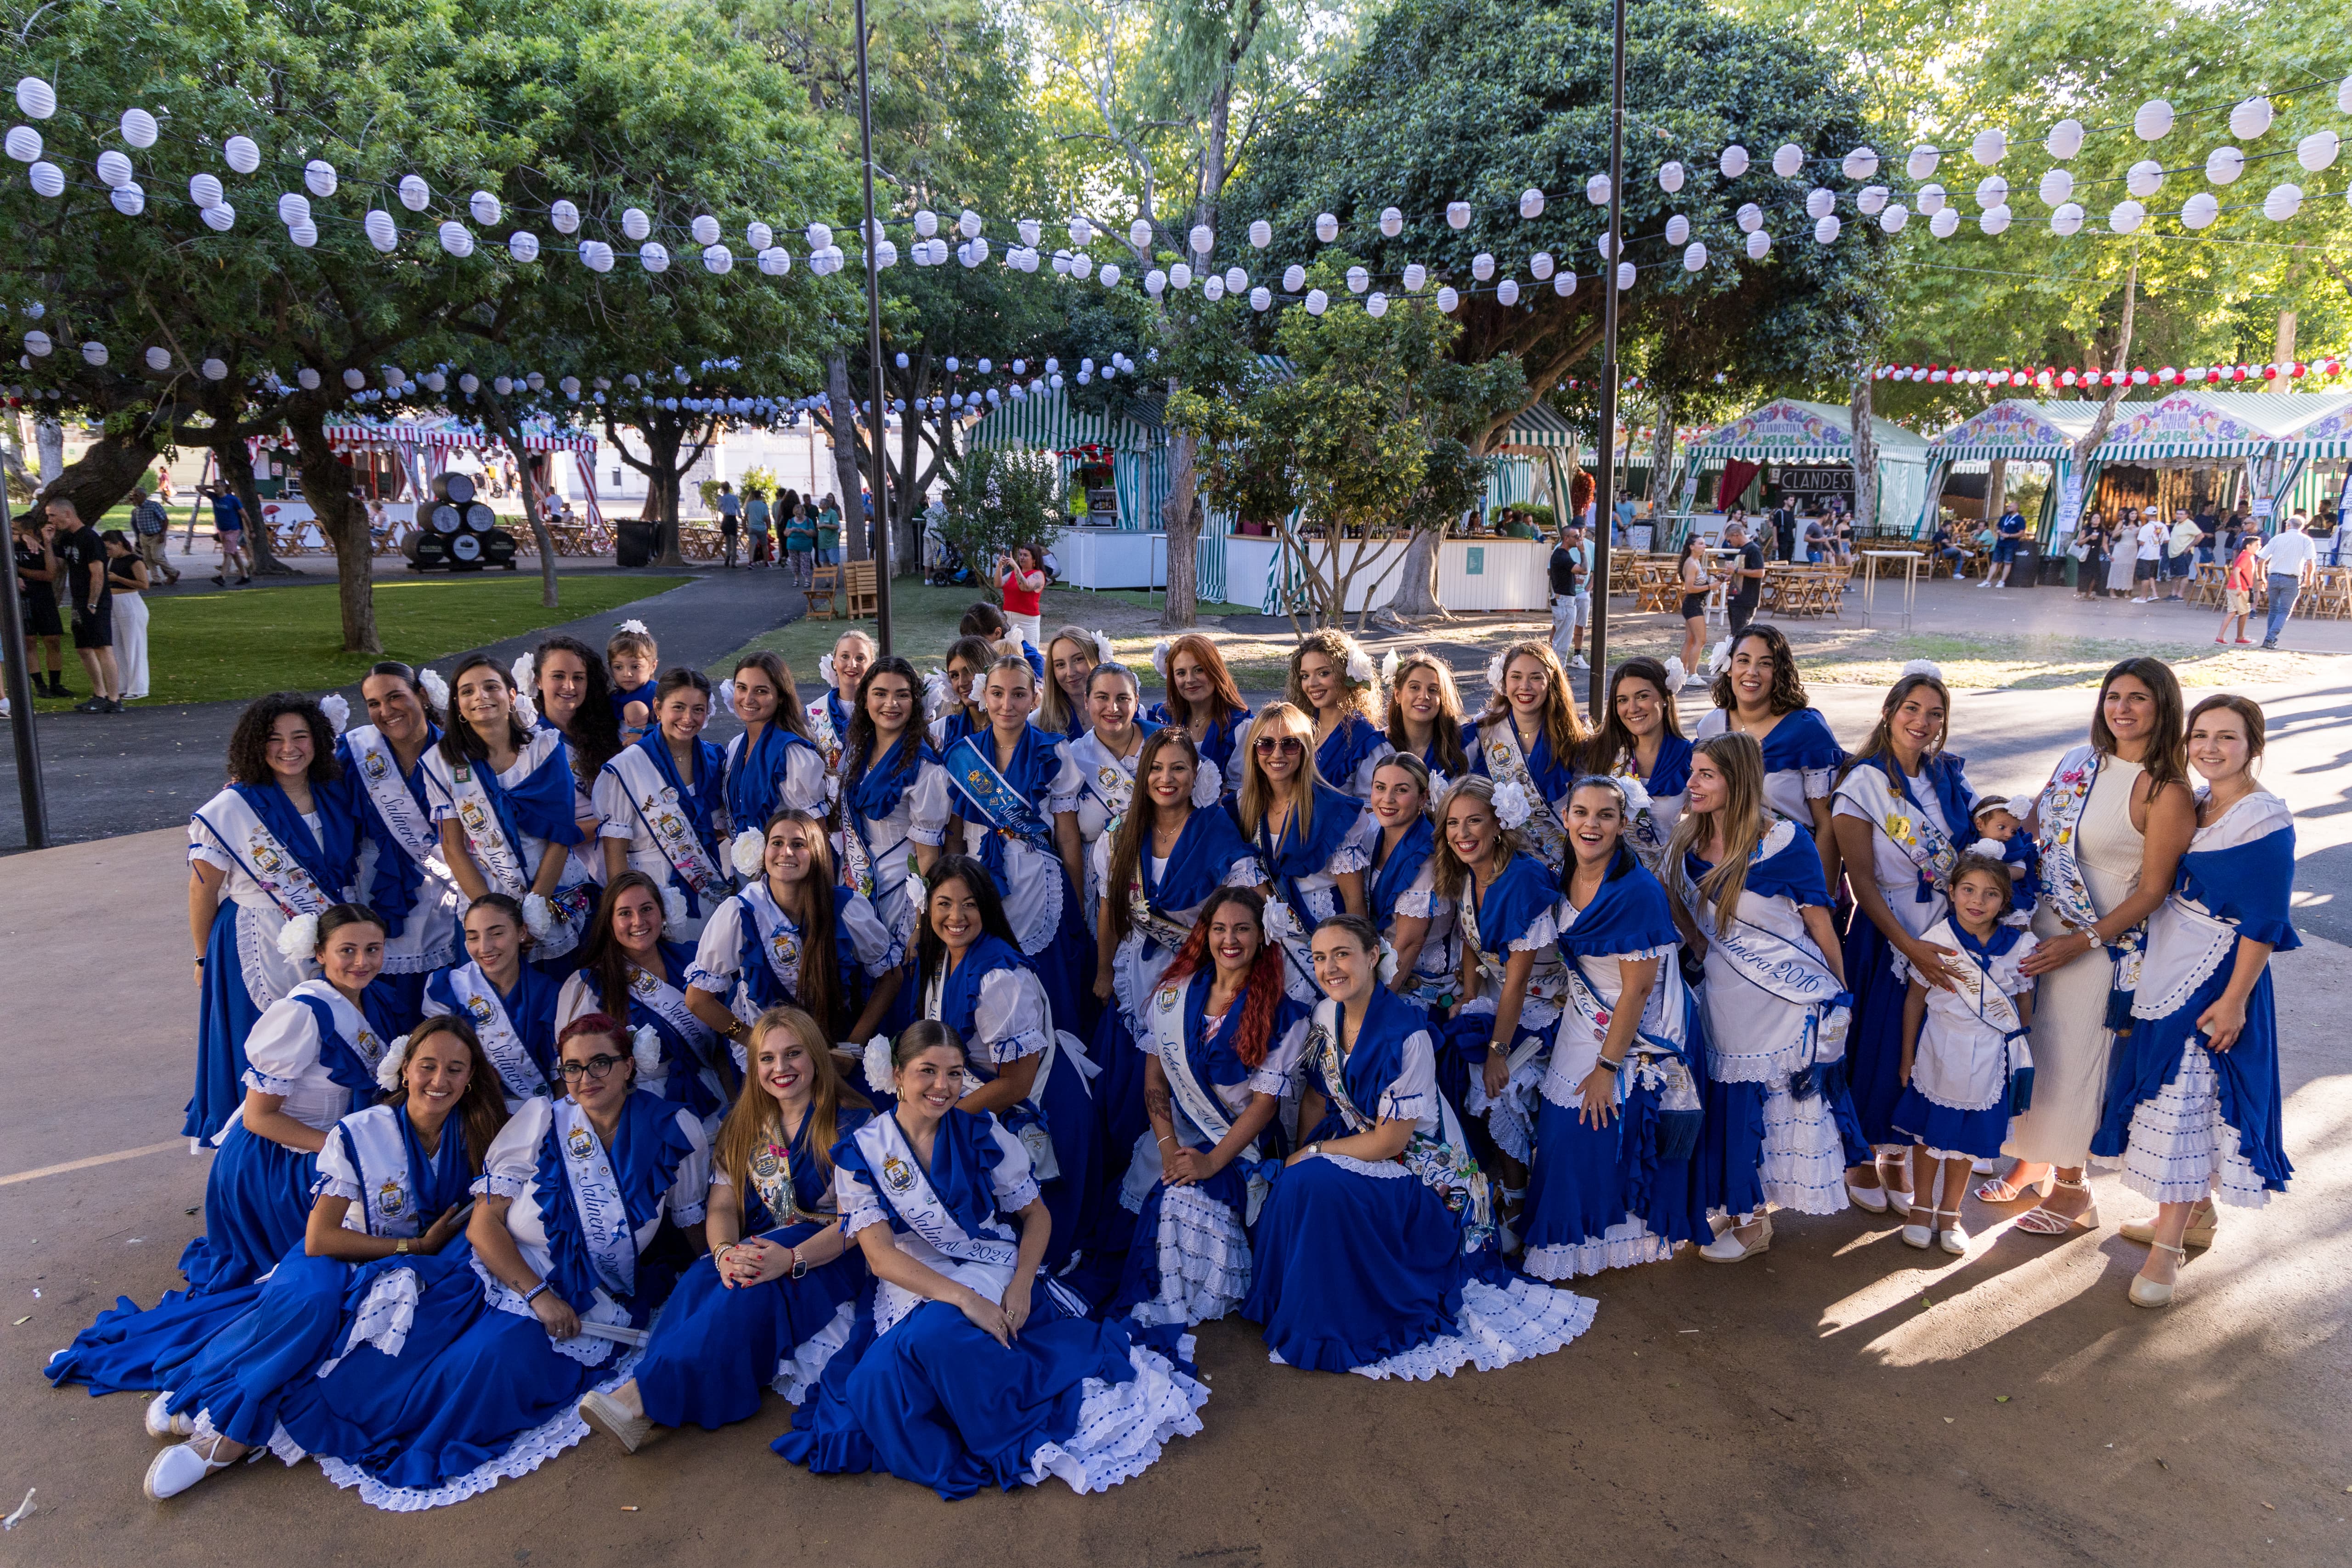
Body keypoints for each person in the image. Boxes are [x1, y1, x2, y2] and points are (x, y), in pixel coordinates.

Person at [259, 1013, 709, 1510]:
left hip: (592, 1289)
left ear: (629, 1066)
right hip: (499, 1267)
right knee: (407, 1346)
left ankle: (411, 1435)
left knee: (482, 1361)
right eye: (574, 1066)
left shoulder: (676, 1127)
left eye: (602, 1062)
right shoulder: (543, 1117)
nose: (587, 1077)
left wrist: (710, 1272)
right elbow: (482, 1224)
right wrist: (538, 1295)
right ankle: (273, 1425)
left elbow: (690, 1219)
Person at [772, 1020, 1207, 1499]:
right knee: (873, 1385)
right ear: (896, 1074)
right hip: (913, 1276)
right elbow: (879, 1258)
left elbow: (1036, 1214)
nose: (943, 1086)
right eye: (927, 1071)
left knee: (933, 1338)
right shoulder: (864, 1151)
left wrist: (1021, 1283)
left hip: (985, 1262)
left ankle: (998, 1418)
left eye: (955, 1073)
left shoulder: (982, 1130)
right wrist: (966, 1300)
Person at [131, 1018, 506, 1500]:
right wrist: (411, 1247)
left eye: (455, 1069)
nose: (440, 1080)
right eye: (428, 1065)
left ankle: (229, 1414)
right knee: (314, 1304)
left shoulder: (474, 1133)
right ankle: (223, 1434)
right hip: (344, 1248)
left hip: (407, 1265)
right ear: (405, 1068)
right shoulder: (362, 1131)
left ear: (471, 1077)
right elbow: (320, 1239)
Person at [46, 906, 399, 1409]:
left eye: (373, 949)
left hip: (317, 1151)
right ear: (319, 953)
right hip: (276, 1166)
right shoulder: (300, 1014)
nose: (362, 961)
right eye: (347, 950)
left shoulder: (363, 1002)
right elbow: (259, 1118)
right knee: (328, 1275)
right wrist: (346, 1151)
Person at [1242, 913, 1594, 1377]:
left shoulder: (1407, 1034)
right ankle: (1292, 1302)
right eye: (1320, 957)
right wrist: (1302, 1149)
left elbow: (1391, 1141)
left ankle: (1334, 1319)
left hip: (1425, 1174)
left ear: (1373, 956)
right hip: (1365, 1146)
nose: (1329, 967)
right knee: (1297, 1181)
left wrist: (1312, 1153)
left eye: (1342, 953)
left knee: (1311, 1179)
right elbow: (1316, 1094)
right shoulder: (1325, 1013)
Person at [578, 1007, 873, 1450]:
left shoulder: (851, 1122)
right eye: (768, 1059)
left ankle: (641, 1397)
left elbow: (859, 1224)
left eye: (793, 1054)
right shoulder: (746, 1124)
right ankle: (649, 1391)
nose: (781, 1068)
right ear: (755, 1068)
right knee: (702, 1277)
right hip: (768, 1240)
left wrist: (789, 1259)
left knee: (750, 1285)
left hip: (829, 1253)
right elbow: (721, 1206)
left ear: (815, 1056)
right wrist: (722, 1253)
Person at [1977, 659, 2196, 1236]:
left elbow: (2153, 889)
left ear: (2162, 707)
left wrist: (2083, 940)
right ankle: (2033, 1158)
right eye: (2112, 696)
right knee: (2037, 1050)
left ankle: (2073, 1189)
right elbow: (2030, 829)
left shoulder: (2165, 788)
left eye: (2137, 698)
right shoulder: (2078, 760)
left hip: (2100, 942)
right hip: (2041, 929)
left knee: (2076, 1059)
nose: (2121, 709)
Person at [2090, 695, 2295, 1307]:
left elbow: (2264, 921)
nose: (2209, 747)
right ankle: (2189, 1216)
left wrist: (2235, 1000)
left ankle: (2166, 1253)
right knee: (2175, 1104)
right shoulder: (2203, 804)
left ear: (2253, 745)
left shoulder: (2263, 818)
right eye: (2200, 735)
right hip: (2171, 966)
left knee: (2185, 1102)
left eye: (2226, 737)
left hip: (2218, 979)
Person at [1664, 733, 1858, 1263]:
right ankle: (1738, 1205)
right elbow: (1692, 928)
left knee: (1767, 1107)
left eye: (1706, 774)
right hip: (1727, 1000)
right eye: (1693, 772)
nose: (1693, 783)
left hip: (1782, 1002)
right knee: (1730, 1104)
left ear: (1737, 780)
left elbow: (1820, 924)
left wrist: (1836, 999)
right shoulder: (1685, 842)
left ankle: (1756, 1225)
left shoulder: (1785, 842)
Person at [1521, 777, 1708, 1279]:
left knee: (1594, 1121)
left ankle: (1617, 1237)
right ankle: (1572, 1234)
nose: (1590, 823)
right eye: (1580, 812)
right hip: (1584, 1015)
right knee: (1562, 1131)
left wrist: (1606, 1067)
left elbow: (1639, 991)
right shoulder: (1565, 874)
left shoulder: (1638, 891)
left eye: (1605, 815)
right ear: (1565, 818)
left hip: (1635, 1025)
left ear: (1623, 824)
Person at [1114, 887, 1307, 1326]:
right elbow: (1156, 1076)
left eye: (1242, 928)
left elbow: (1263, 1109)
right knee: (1161, 1195)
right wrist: (1168, 1150)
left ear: (1262, 936)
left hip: (1239, 1149)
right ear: (1206, 934)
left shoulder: (1283, 1014)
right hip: (1179, 1133)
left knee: (1182, 1201)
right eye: (1219, 928)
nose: (1230, 939)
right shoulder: (1174, 994)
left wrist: (1209, 1163)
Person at [906, 857, 1104, 1281]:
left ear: (988, 908)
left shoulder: (999, 977)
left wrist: (948, 1119)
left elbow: (1017, 1083)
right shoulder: (946, 954)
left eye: (969, 905)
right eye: (944, 903)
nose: (955, 916)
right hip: (987, 1088)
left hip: (1038, 1104)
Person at [1091, 726, 1267, 1195]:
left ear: (1196, 774)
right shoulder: (1119, 835)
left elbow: (1258, 902)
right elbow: (1110, 910)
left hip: (1194, 978)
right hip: (1135, 973)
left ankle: (1178, 1165)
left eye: (1177, 768)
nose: (1165, 778)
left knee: (1177, 1073)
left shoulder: (1213, 829)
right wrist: (1104, 970)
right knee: (1126, 1080)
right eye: (1155, 767)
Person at [1828, 664, 1977, 1214]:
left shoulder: (1947, 777)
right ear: (1888, 712)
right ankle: (1863, 1152)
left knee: (1927, 1051)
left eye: (1934, 713)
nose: (1922, 721)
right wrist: (1907, 945)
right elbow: (1860, 882)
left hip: (1945, 928)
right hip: (1884, 932)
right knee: (1881, 1046)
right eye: (1911, 709)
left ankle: (1897, 1150)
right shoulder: (1861, 782)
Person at [185, 693, 361, 1140]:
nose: (289, 747)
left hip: (330, 932)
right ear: (254, 745)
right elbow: (202, 889)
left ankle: (322, 1145)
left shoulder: (334, 794)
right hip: (254, 940)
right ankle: (254, 1157)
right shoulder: (233, 808)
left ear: (318, 740)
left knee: (322, 1044)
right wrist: (203, 956)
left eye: (300, 736)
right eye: (275, 738)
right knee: (262, 1048)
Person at [1890, 854, 2038, 1256]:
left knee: (1966, 1140)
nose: (1978, 901)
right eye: (1969, 890)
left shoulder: (2021, 945)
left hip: (1990, 1058)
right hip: (1940, 1047)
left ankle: (1951, 1213)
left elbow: (2024, 1004)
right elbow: (1915, 1000)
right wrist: (1907, 1057)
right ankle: (1921, 1209)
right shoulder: (1938, 939)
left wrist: (2018, 1053)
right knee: (1929, 1136)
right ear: (1952, 892)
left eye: (1991, 894)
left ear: (2004, 901)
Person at [1436, 774, 1569, 1221]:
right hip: (1500, 997)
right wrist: (1469, 998)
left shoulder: (1523, 880)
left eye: (1474, 821)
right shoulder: (1470, 873)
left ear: (1498, 824)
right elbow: (1472, 939)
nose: (1462, 833)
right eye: (1453, 823)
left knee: (1501, 1087)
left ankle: (1518, 1201)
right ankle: (1507, 1189)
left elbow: (1517, 982)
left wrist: (1497, 1050)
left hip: (1549, 1007)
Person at [942, 656, 1091, 1033]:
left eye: (1018, 694)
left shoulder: (1053, 751)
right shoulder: (964, 756)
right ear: (983, 696)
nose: (1007, 704)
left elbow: (1067, 834)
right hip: (978, 880)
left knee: (1046, 983)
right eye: (997, 693)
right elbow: (956, 837)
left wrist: (1074, 898)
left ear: (1033, 699)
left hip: (1038, 883)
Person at [424, 651, 601, 968]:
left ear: (511, 695)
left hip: (551, 886)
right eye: (468, 691)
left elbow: (561, 835)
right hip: (486, 890)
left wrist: (535, 910)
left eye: (491, 687)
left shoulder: (545, 749)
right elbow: (453, 846)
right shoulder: (442, 761)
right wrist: (492, 918)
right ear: (458, 705)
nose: (481, 696)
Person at [688, 809, 902, 1051]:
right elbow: (698, 1000)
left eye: (798, 844)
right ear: (765, 851)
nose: (786, 852)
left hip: (833, 1045)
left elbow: (892, 978)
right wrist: (755, 1044)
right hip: (767, 1055)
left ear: (816, 853)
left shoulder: (847, 907)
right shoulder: (739, 911)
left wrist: (851, 1048)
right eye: (777, 842)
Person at [560, 871, 731, 1129]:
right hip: (640, 1111)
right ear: (609, 921)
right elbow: (579, 1066)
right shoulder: (588, 986)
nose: (638, 921)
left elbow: (724, 1040)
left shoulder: (695, 959)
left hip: (715, 1092)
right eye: (625, 913)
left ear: (662, 913)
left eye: (647, 909)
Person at [342, 661, 464, 1023]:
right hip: (376, 894)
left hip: (442, 898)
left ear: (422, 695)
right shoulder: (356, 752)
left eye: (396, 696)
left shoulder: (456, 755)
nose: (386, 710)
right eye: (374, 703)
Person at [1234, 701, 1371, 1002]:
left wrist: (1355, 967)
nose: (1277, 754)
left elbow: (1355, 904)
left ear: (1307, 749)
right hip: (1270, 952)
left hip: (1325, 948)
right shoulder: (1242, 808)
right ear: (1254, 751)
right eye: (1266, 744)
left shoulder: (1333, 811)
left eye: (1290, 744)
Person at [1696, 623, 1844, 889]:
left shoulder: (1807, 731)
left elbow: (1827, 826)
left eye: (1765, 663)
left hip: (1792, 872)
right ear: (1729, 667)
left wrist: (1822, 896)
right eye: (1743, 660)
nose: (1752, 672)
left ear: (1779, 672)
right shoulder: (1711, 727)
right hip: (1723, 870)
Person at [595, 668, 731, 945]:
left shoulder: (714, 758)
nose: (688, 718)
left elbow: (718, 826)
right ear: (658, 707)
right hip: (649, 892)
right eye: (678, 707)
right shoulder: (629, 766)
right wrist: (626, 908)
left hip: (705, 888)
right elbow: (615, 849)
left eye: (698, 709)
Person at [834, 655, 952, 969]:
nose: (892, 703)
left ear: (916, 701)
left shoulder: (926, 769)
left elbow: (929, 857)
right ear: (865, 700)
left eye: (902, 694)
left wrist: (920, 926)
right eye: (880, 694)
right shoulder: (854, 753)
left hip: (901, 895)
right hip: (855, 883)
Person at [422, 893, 564, 1108]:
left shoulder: (550, 994)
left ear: (522, 932)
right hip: (470, 1108)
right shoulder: (447, 988)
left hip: (537, 1114)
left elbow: (562, 1072)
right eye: (473, 937)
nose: (485, 948)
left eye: (496, 934)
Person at [1050, 660, 1157, 924]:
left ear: (1137, 701)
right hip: (1101, 889)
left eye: (1123, 698)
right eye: (1102, 697)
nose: (1113, 708)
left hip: (1161, 877)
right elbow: (1068, 838)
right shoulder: (1072, 759)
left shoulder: (1164, 744)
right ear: (1086, 701)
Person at [1468, 639, 1588, 875]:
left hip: (1566, 864)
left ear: (1551, 682)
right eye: (1516, 677)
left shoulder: (1576, 735)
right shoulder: (1481, 732)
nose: (1525, 686)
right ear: (1504, 682)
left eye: (1535, 677)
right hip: (1503, 864)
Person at [1364, 753, 1455, 1011]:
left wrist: (1369, 1009)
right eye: (1380, 788)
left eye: (1401, 790)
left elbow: (1407, 945)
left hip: (1418, 980)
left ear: (1423, 797)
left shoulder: (1426, 860)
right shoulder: (1372, 832)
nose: (1387, 799)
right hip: (1379, 960)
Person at [1591, 656, 1695, 871]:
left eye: (1642, 696)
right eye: (1622, 700)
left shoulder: (1690, 757)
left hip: (1666, 882)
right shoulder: (1600, 752)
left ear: (1665, 698)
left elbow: (1706, 828)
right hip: (1609, 880)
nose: (1633, 708)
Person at [722, 650, 827, 830]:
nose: (748, 699)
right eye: (742, 688)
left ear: (781, 698)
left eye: (761, 691)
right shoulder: (736, 746)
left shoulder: (792, 753)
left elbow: (816, 828)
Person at [1289, 628, 1392, 798]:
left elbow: (1370, 812)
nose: (1312, 684)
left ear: (1347, 674)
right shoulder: (1298, 726)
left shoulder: (1366, 742)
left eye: (1323, 673)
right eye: (1305, 676)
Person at [1145, 633, 1253, 788]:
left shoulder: (1240, 727)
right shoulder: (1161, 718)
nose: (1190, 680)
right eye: (1181, 673)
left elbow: (1239, 792)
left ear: (1215, 671)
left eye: (1199, 670)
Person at [49, 499, 120, 713]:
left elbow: (98, 574)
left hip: (94, 601)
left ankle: (115, 699)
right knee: (83, 649)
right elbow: (57, 569)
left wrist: (92, 603)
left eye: (53, 515)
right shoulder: (67, 538)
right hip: (79, 600)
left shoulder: (90, 538)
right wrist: (48, 542)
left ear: (68, 513)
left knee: (102, 647)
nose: (50, 520)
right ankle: (99, 694)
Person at [1383, 649, 1470, 778]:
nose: (1424, 696)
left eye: (1433, 690)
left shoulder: (1464, 745)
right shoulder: (1380, 747)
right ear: (1398, 695)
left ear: (1443, 698)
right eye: (1415, 687)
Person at [806, 627, 875, 781]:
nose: (852, 664)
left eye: (861, 659)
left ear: (871, 666)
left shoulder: (881, 710)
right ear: (834, 663)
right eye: (845, 656)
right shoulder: (812, 713)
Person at [12, 511, 66, 696]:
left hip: (44, 597)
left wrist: (17, 570)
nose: (10, 532)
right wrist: (22, 536)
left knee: (53, 640)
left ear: (30, 530)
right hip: (22, 599)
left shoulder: (51, 547)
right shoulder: (9, 545)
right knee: (29, 641)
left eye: (15, 530)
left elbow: (50, 575)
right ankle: (39, 685)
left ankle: (55, 684)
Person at [1968, 795, 2042, 916]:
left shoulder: (2012, 848)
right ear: (1979, 825)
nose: (2009, 835)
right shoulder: (1971, 844)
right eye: (2002, 827)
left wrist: (1992, 876)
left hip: (2004, 894)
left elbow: (2020, 871)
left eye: (2014, 831)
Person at [2256, 512, 2318, 650]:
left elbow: (2261, 560)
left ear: (2289, 525)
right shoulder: (2306, 540)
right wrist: (2308, 578)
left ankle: (2270, 638)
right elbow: (2310, 563)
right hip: (2291, 578)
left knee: (2274, 610)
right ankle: (2270, 638)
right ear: (2301, 527)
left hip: (2274, 576)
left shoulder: (2277, 539)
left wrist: (2261, 578)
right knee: (2284, 611)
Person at [102, 530, 150, 703]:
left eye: (109, 548)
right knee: (116, 647)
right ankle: (122, 685)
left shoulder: (135, 560)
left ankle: (139, 687)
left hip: (130, 603)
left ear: (119, 544)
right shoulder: (110, 560)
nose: (107, 552)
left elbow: (144, 585)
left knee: (134, 646)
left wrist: (118, 578)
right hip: (113, 603)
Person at [1037, 623, 1102, 739]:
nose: (1070, 673)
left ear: (1095, 658)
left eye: (1078, 659)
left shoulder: (1123, 710)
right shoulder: (1039, 722)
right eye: (1060, 665)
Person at [605, 621, 659, 744]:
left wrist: (645, 738)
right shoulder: (616, 697)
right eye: (619, 667)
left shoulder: (657, 695)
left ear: (652, 666)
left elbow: (669, 728)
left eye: (635, 667)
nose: (627, 674)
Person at [1547, 522, 1590, 670]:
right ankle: (1558, 673)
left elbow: (1559, 573)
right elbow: (1584, 570)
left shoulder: (1560, 555)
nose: (1579, 539)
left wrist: (1573, 579)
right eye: (1576, 537)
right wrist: (1583, 552)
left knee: (1561, 638)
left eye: (1580, 536)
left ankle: (1557, 671)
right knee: (1562, 641)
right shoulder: (1562, 555)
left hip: (1562, 599)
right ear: (1566, 538)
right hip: (1564, 602)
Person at [1674, 532, 1713, 678]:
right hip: (1693, 604)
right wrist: (1710, 587)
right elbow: (1689, 588)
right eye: (1701, 544)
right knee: (1701, 640)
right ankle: (1693, 674)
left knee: (1690, 640)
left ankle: (1682, 673)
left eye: (1704, 544)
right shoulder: (1691, 563)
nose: (1704, 547)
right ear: (1692, 547)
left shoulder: (1696, 562)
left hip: (1696, 604)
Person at [2215, 530, 2260, 646]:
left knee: (2232, 612)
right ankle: (2240, 637)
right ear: (2249, 546)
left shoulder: (2245, 555)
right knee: (2244, 612)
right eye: (2257, 545)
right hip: (2240, 588)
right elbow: (2237, 570)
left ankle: (2221, 637)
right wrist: (2240, 586)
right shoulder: (2247, 556)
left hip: (2234, 587)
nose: (2259, 547)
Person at [1721, 519, 1765, 636]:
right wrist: (1730, 576)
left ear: (1736, 535)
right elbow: (1743, 574)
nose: (1729, 544)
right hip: (1736, 599)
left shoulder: (1754, 550)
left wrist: (1736, 570)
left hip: (1746, 600)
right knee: (1735, 634)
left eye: (1729, 541)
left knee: (1740, 636)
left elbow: (1760, 573)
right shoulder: (1742, 550)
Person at [200, 481, 250, 585]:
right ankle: (245, 576)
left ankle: (222, 577)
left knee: (227, 554)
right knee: (234, 553)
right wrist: (210, 486)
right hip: (222, 530)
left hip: (234, 530)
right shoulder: (214, 497)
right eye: (215, 487)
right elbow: (199, 488)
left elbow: (245, 515)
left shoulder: (233, 500)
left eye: (218, 486)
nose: (215, 489)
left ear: (224, 487)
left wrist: (251, 529)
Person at [998, 543, 1047, 648]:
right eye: (1020, 555)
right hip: (1008, 619)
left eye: (1026, 555)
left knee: (1028, 653)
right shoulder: (1013, 574)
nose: (1022, 558)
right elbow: (998, 583)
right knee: (1009, 653)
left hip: (1027, 621)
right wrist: (1000, 566)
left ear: (1034, 559)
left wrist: (1015, 567)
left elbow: (1025, 587)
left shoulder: (1038, 575)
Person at [129, 484, 180, 584]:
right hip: (144, 536)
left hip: (156, 535)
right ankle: (156, 579)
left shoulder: (154, 506)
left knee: (157, 557)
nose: (133, 498)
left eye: (136, 496)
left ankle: (174, 572)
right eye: (133, 496)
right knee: (148, 559)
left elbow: (165, 520)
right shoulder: (137, 508)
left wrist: (162, 534)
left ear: (144, 496)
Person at [1981, 500, 2027, 590]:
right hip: (2000, 543)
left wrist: (2009, 535)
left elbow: (2022, 533)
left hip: (2011, 544)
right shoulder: (2004, 517)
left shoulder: (2020, 520)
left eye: (2010, 507)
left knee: (2008, 562)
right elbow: (1997, 527)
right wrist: (1998, 531)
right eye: (2008, 507)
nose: (2008, 508)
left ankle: (2002, 581)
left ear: (2016, 508)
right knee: (1995, 562)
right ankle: (1988, 581)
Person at [2129, 507, 2167, 604]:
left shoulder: (2146, 528)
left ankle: (2143, 597)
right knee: (2151, 576)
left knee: (2144, 577)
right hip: (2156, 554)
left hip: (2145, 555)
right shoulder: (2163, 526)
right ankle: (2154, 594)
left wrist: (2137, 536)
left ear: (2147, 515)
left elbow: (2141, 542)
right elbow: (2167, 540)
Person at [2163, 509, 2199, 601]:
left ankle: (2180, 595)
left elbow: (2200, 535)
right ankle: (2174, 593)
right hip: (2174, 553)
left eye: (2182, 514)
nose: (2179, 516)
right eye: (2178, 514)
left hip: (2183, 553)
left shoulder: (2189, 524)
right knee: (2175, 575)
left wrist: (2190, 546)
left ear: (2187, 515)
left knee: (2183, 575)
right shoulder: (2177, 524)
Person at [2105, 507, 2141, 597]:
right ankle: (2112, 591)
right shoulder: (2122, 523)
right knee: (2116, 569)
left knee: (2129, 570)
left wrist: (2139, 534)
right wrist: (2125, 529)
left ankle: (2127, 591)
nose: (2134, 516)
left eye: (2136, 514)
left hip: (2133, 548)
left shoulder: (2139, 524)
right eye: (2132, 514)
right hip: (2121, 548)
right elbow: (2114, 535)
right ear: (2128, 515)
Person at [2072, 510, 2108, 600]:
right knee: (2084, 574)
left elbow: (2104, 544)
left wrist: (2109, 554)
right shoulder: (2086, 530)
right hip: (2086, 553)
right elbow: (2079, 543)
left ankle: (2089, 593)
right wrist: (2089, 538)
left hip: (2095, 553)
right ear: (2091, 520)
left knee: (2096, 574)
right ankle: (2079, 593)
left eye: (2098, 518)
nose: (2096, 520)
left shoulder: (2102, 531)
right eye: (2094, 518)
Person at [784, 498, 816, 585]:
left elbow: (813, 533)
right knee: (795, 562)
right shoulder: (791, 521)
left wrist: (804, 531)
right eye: (797, 514)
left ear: (803, 512)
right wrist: (791, 530)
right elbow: (786, 533)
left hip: (805, 545)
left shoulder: (808, 521)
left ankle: (807, 580)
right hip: (793, 545)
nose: (799, 516)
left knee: (805, 562)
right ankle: (796, 579)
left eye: (800, 514)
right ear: (794, 513)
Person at [743, 483, 771, 568]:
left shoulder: (749, 505)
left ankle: (751, 562)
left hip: (752, 527)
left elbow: (745, 517)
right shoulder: (764, 506)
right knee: (764, 546)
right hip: (762, 527)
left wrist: (745, 526)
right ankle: (766, 562)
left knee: (752, 545)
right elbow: (767, 518)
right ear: (761, 496)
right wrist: (768, 526)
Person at [716, 481, 742, 568]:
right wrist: (741, 516)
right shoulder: (733, 498)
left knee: (727, 539)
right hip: (732, 519)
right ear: (729, 487)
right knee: (734, 541)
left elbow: (719, 509)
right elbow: (738, 508)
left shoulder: (720, 499)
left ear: (722, 489)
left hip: (725, 519)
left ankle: (727, 556)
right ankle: (733, 562)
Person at [815, 492, 842, 566]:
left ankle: (835, 577)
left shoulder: (833, 513)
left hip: (831, 543)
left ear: (826, 506)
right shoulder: (820, 515)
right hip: (822, 543)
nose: (819, 505)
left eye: (821, 504)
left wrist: (824, 525)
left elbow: (836, 526)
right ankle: (827, 578)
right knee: (825, 562)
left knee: (834, 563)